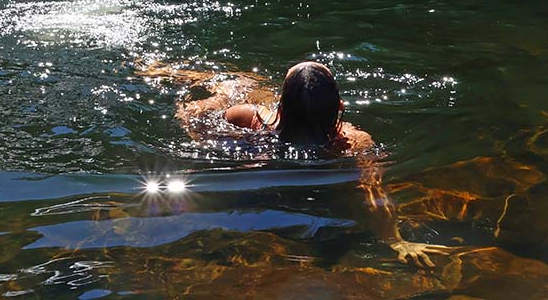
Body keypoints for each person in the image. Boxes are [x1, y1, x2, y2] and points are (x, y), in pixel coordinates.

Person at [141, 60, 452, 269]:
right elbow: (373, 191)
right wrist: (395, 240)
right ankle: (215, 81)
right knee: (242, 84)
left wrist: (194, 117)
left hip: (248, 195)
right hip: (312, 206)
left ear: (279, 103)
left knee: (238, 85)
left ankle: (175, 74)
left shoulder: (247, 118)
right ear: (340, 107)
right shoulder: (354, 141)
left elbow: (193, 120)